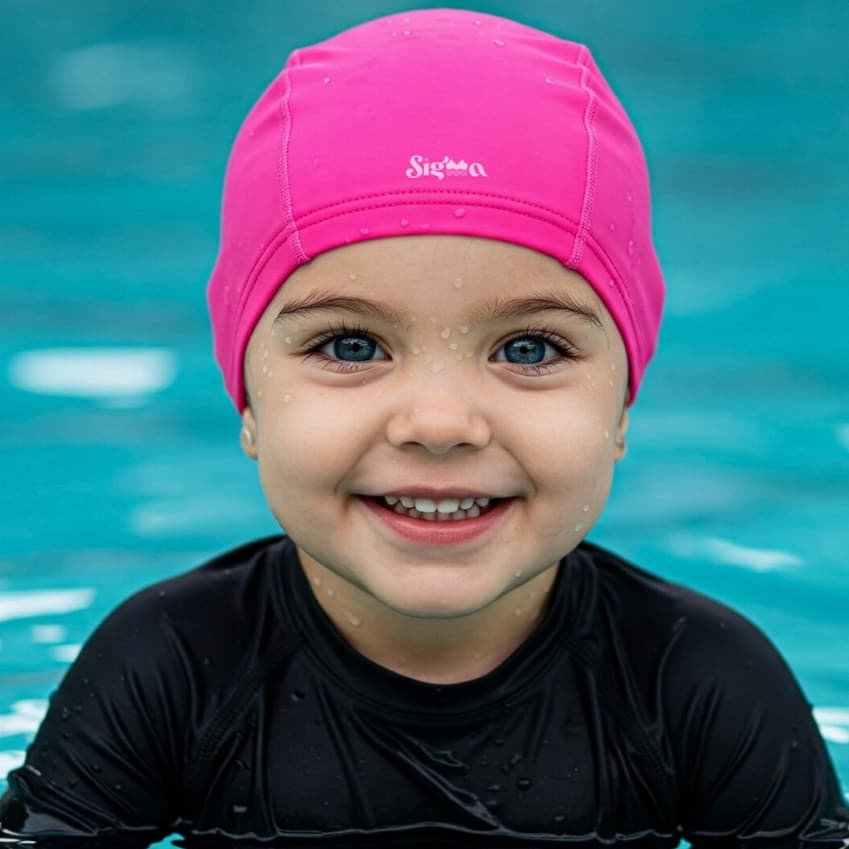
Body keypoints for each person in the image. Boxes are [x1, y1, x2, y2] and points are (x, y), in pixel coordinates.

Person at [1, 8, 846, 848]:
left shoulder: (701, 688)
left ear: (622, 406)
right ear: (247, 402)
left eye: (527, 347)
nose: (439, 423)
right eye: (351, 344)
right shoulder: (167, 673)